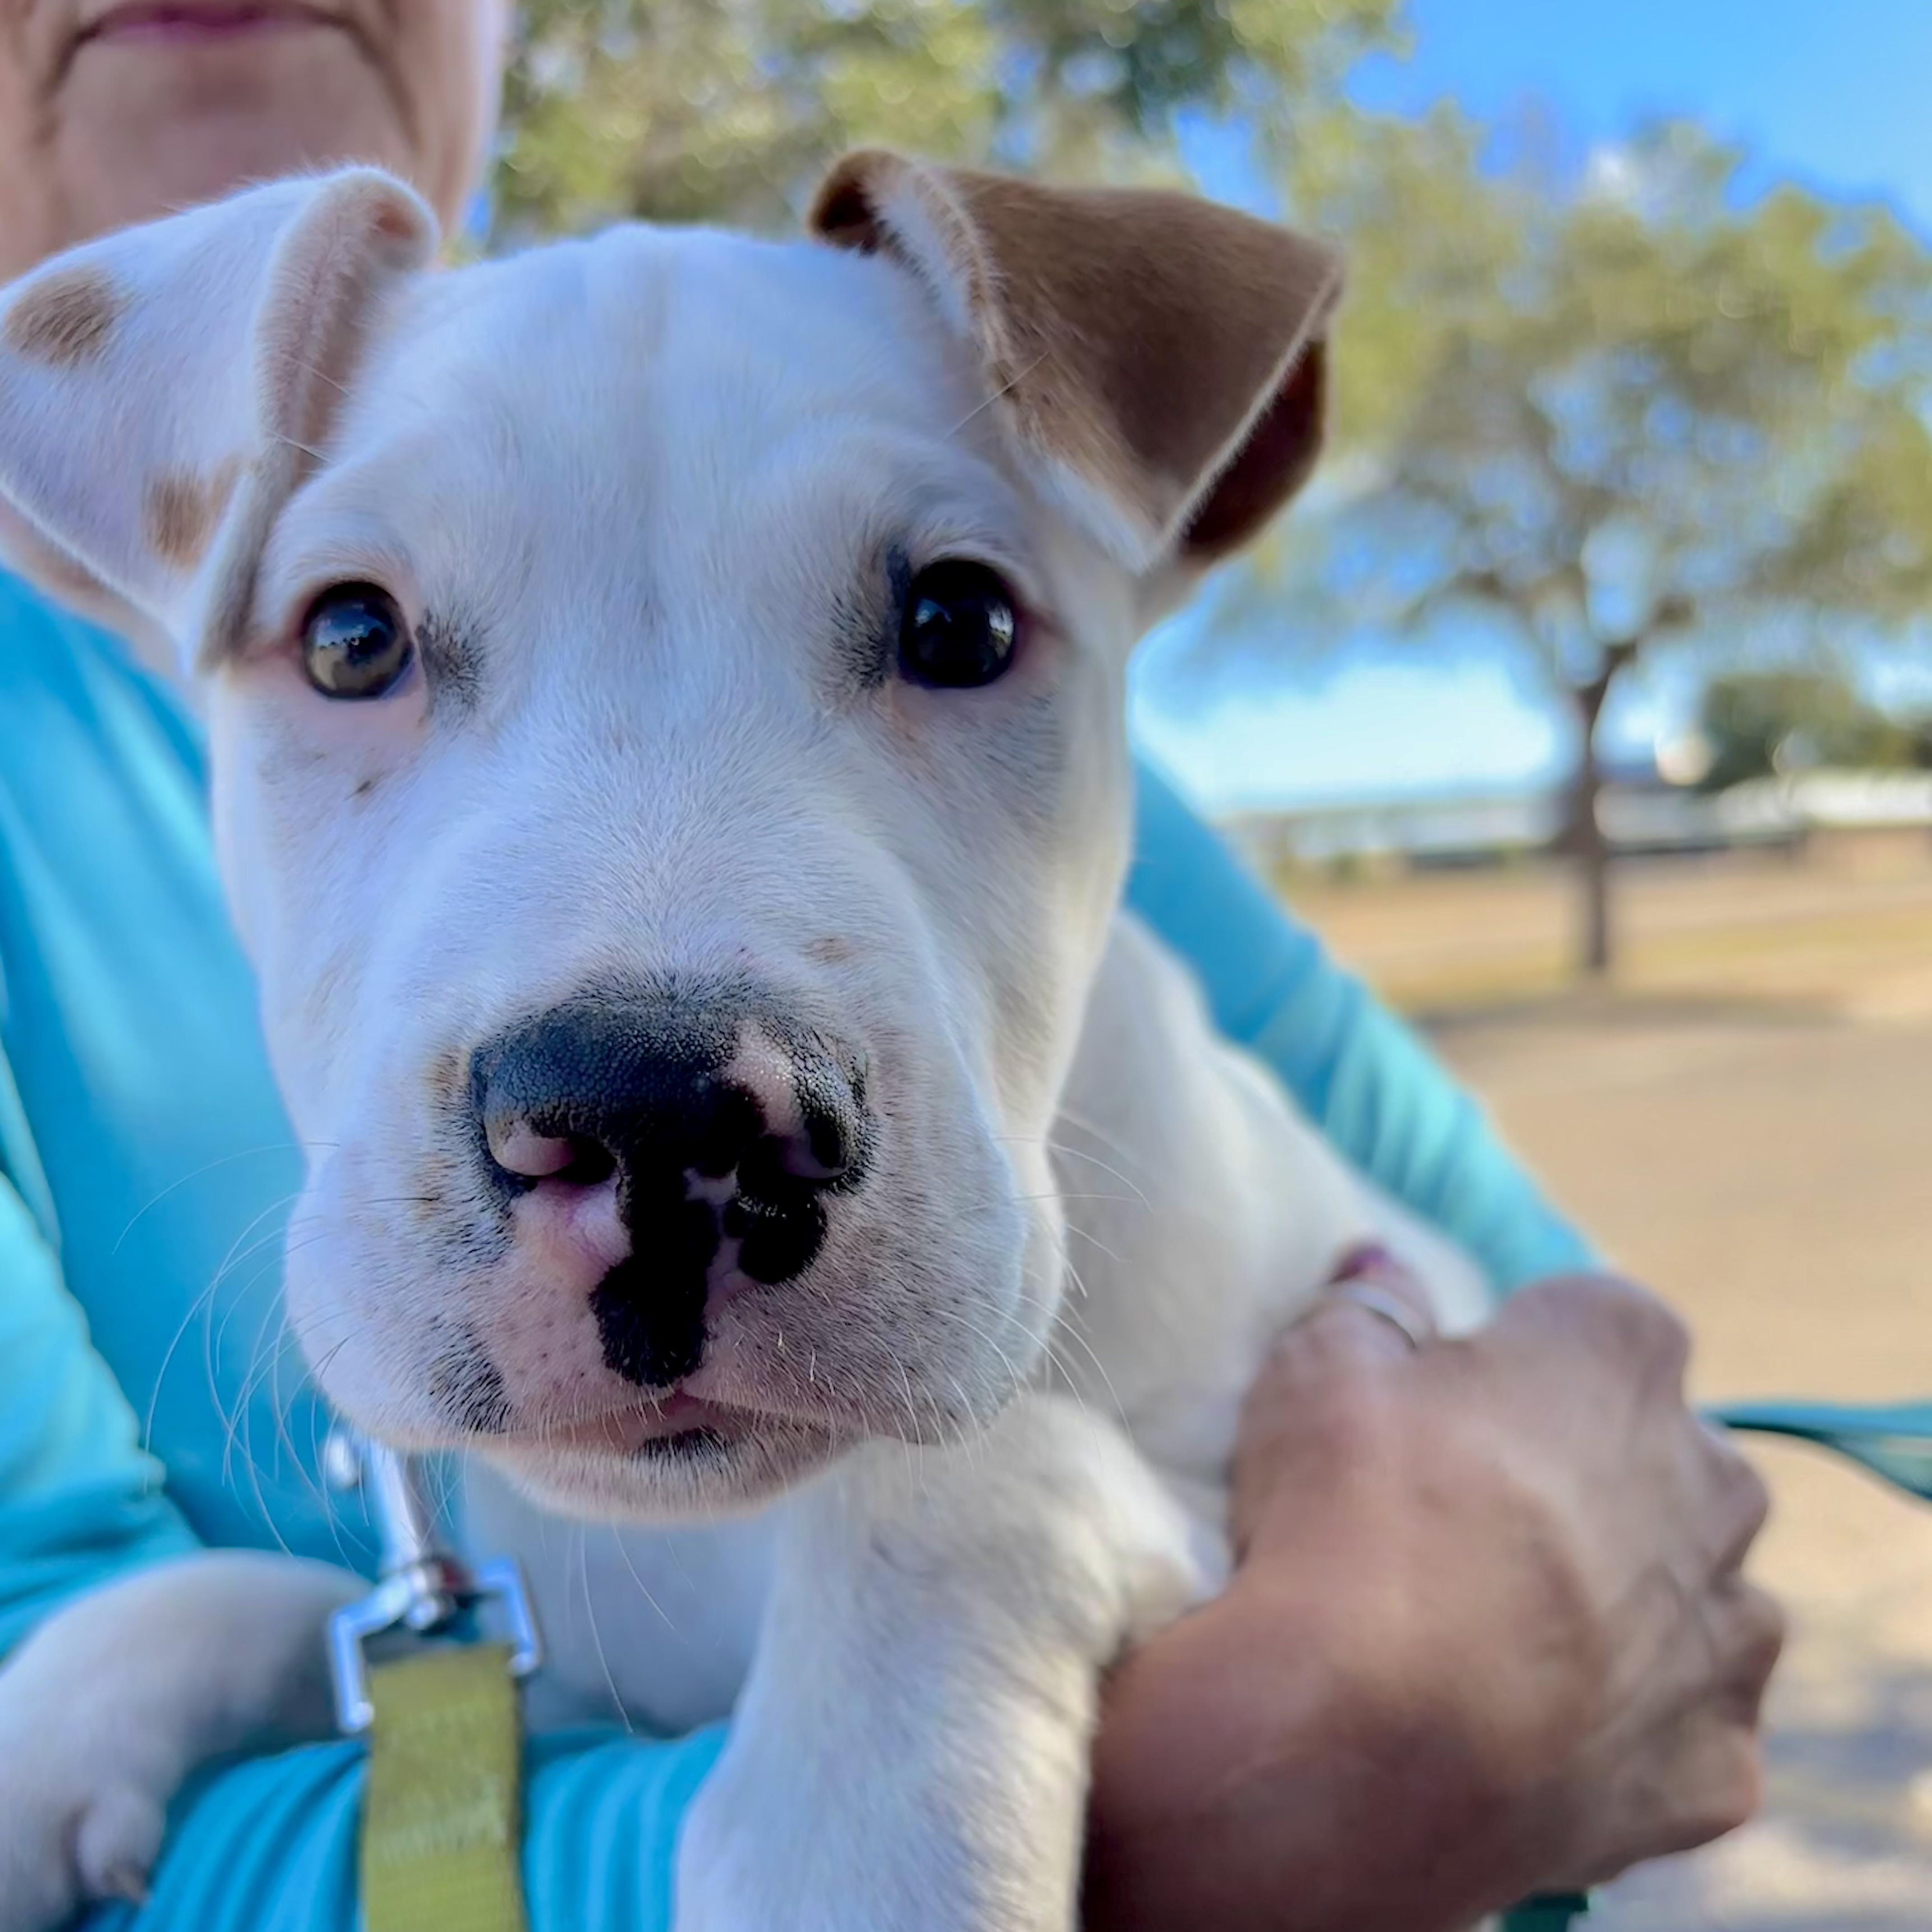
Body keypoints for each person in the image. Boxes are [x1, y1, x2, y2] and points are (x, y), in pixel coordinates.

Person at [0, 5, 1780, 1927]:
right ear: (107, 563)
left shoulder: (1115, 806)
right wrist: (1224, 1805)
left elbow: (1581, 1399)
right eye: (360, 645)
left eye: (943, 626)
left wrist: (1000, 1556)